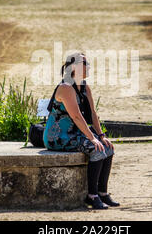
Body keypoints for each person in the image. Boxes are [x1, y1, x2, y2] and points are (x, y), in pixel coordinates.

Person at [43, 52, 120, 210]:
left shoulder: (85, 87)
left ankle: (102, 193)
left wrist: (101, 136)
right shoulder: (65, 87)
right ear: (74, 67)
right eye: (85, 63)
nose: (88, 66)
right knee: (96, 148)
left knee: (108, 147)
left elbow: (92, 113)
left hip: (76, 133)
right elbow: (77, 116)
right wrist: (92, 138)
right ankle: (92, 196)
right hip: (59, 136)